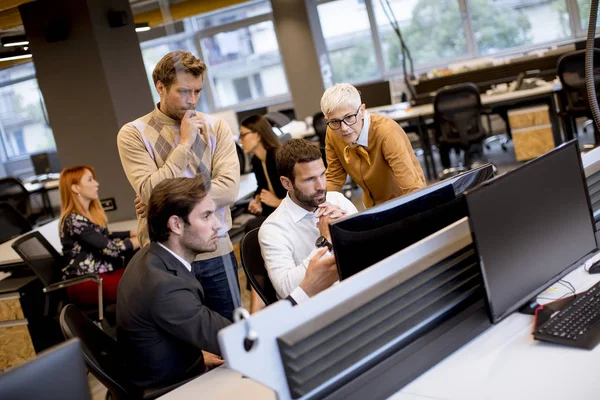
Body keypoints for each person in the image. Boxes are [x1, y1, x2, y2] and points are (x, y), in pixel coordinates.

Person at [117, 177, 340, 389]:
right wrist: (307, 289)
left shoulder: (152, 258)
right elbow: (244, 341)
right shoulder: (165, 286)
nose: (219, 226)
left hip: (172, 369)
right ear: (175, 224)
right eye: (206, 216)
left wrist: (192, 354)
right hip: (175, 388)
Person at [117, 50, 240, 321]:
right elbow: (150, 192)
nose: (192, 100)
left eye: (197, 91)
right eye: (184, 92)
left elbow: (230, 189)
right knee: (185, 353)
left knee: (230, 337)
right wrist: (184, 144)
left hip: (215, 249)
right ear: (160, 88)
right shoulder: (132, 134)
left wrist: (164, 199)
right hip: (165, 260)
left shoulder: (216, 126)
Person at [259, 139, 358, 302]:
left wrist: (350, 230)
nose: (321, 186)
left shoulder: (338, 200)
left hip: (355, 291)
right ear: (286, 183)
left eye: (322, 175)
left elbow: (368, 256)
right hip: (319, 307)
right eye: (309, 179)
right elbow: (287, 292)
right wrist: (326, 240)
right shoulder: (272, 229)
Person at [321, 83, 427, 208]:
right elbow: (334, 178)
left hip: (404, 202)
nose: (344, 128)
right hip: (372, 207)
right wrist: (324, 207)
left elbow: (412, 188)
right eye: (334, 121)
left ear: (361, 110)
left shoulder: (387, 133)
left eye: (349, 117)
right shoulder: (333, 132)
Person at [59, 166, 139, 304]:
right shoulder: (74, 221)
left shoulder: (86, 215)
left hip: (101, 274)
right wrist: (142, 238)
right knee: (143, 286)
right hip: (87, 281)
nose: (96, 184)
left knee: (146, 277)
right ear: (75, 188)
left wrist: (132, 233)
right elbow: (112, 249)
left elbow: (105, 236)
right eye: (90, 180)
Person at [239, 114, 287, 228]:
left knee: (251, 227)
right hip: (276, 213)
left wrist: (277, 202)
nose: (240, 141)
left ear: (257, 135)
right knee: (251, 226)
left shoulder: (278, 157)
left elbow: (300, 199)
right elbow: (261, 187)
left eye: (243, 135)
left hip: (291, 215)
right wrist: (257, 200)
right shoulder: (257, 160)